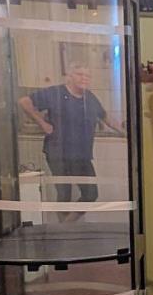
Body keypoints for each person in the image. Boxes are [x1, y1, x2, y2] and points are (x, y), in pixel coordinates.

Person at [17, 65, 116, 217]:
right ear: (69, 76)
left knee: (91, 194)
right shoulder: (55, 93)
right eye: (80, 74)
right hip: (58, 153)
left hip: (82, 155)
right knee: (64, 194)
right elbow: (24, 101)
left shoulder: (89, 97)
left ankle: (67, 224)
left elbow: (105, 117)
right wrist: (42, 123)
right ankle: (64, 228)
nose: (84, 78)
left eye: (87, 76)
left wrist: (125, 131)